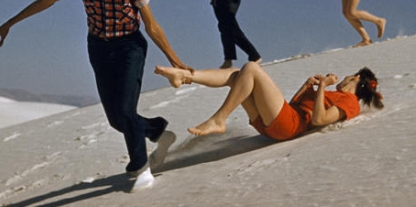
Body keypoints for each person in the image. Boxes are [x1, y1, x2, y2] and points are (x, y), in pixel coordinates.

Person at [0, 0, 192, 193]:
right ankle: (158, 132)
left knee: (126, 110)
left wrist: (176, 60)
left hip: (130, 46)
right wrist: (10, 23)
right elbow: (48, 0)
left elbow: (151, 26)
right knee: (116, 120)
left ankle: (141, 169)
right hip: (98, 48)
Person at [154, 62, 383, 140]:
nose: (342, 79)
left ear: (356, 78)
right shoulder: (339, 95)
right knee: (237, 75)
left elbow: (320, 119)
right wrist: (308, 86)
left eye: (347, 77)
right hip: (279, 122)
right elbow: (295, 106)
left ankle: (219, 118)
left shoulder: (350, 103)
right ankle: (187, 76)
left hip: (287, 127)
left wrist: (323, 86)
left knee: (251, 68)